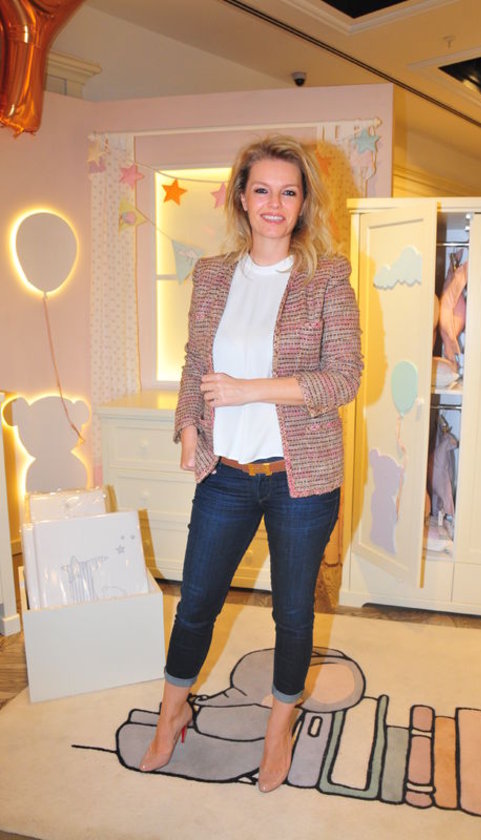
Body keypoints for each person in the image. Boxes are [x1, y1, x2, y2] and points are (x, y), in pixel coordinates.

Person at [140, 135, 363, 791]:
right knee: (195, 604)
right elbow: (195, 362)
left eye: (288, 192)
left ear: (304, 202)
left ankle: (278, 727)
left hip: (301, 479)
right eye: (262, 189)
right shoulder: (212, 275)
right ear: (241, 196)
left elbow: (344, 378)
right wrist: (188, 426)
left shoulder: (327, 276)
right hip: (227, 475)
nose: (274, 203)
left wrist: (249, 390)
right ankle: (171, 712)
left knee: (292, 613)